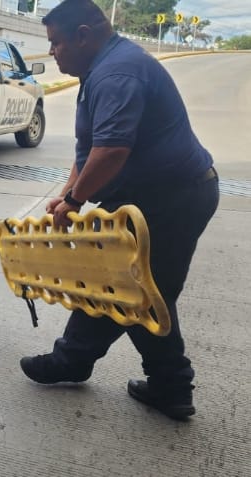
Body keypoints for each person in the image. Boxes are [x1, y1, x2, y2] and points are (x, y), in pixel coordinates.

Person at [19, 0, 219, 421]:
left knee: (138, 291)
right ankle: (80, 360)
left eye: (56, 43)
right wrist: (68, 193)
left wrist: (76, 201)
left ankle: (164, 383)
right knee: (118, 282)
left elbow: (111, 151)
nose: (52, 51)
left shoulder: (117, 74)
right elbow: (92, 149)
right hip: (152, 198)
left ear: (83, 36)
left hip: (172, 200)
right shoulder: (104, 68)